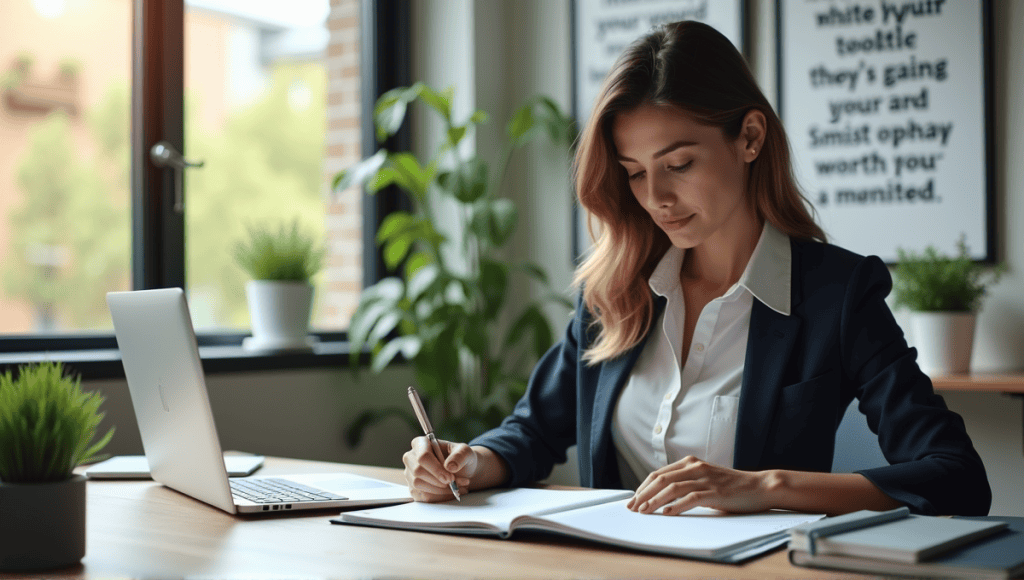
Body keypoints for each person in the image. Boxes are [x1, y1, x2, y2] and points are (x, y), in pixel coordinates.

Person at [402, 20, 991, 517]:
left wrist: (764, 486)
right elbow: (532, 432)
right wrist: (468, 461)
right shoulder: (614, 290)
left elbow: (956, 477)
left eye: (678, 163)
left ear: (751, 138)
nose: (655, 196)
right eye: (634, 172)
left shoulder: (838, 295)